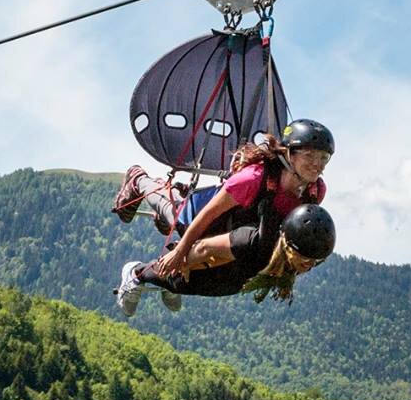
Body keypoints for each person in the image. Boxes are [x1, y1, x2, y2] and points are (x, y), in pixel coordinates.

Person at [112, 118, 334, 313]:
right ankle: (138, 179)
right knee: (175, 214)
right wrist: (180, 253)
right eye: (310, 155)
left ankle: (168, 283)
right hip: (205, 216)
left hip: (239, 231)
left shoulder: (314, 192)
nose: (318, 165)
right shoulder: (254, 178)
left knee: (219, 283)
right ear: (289, 153)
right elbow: (209, 213)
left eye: (324, 158)